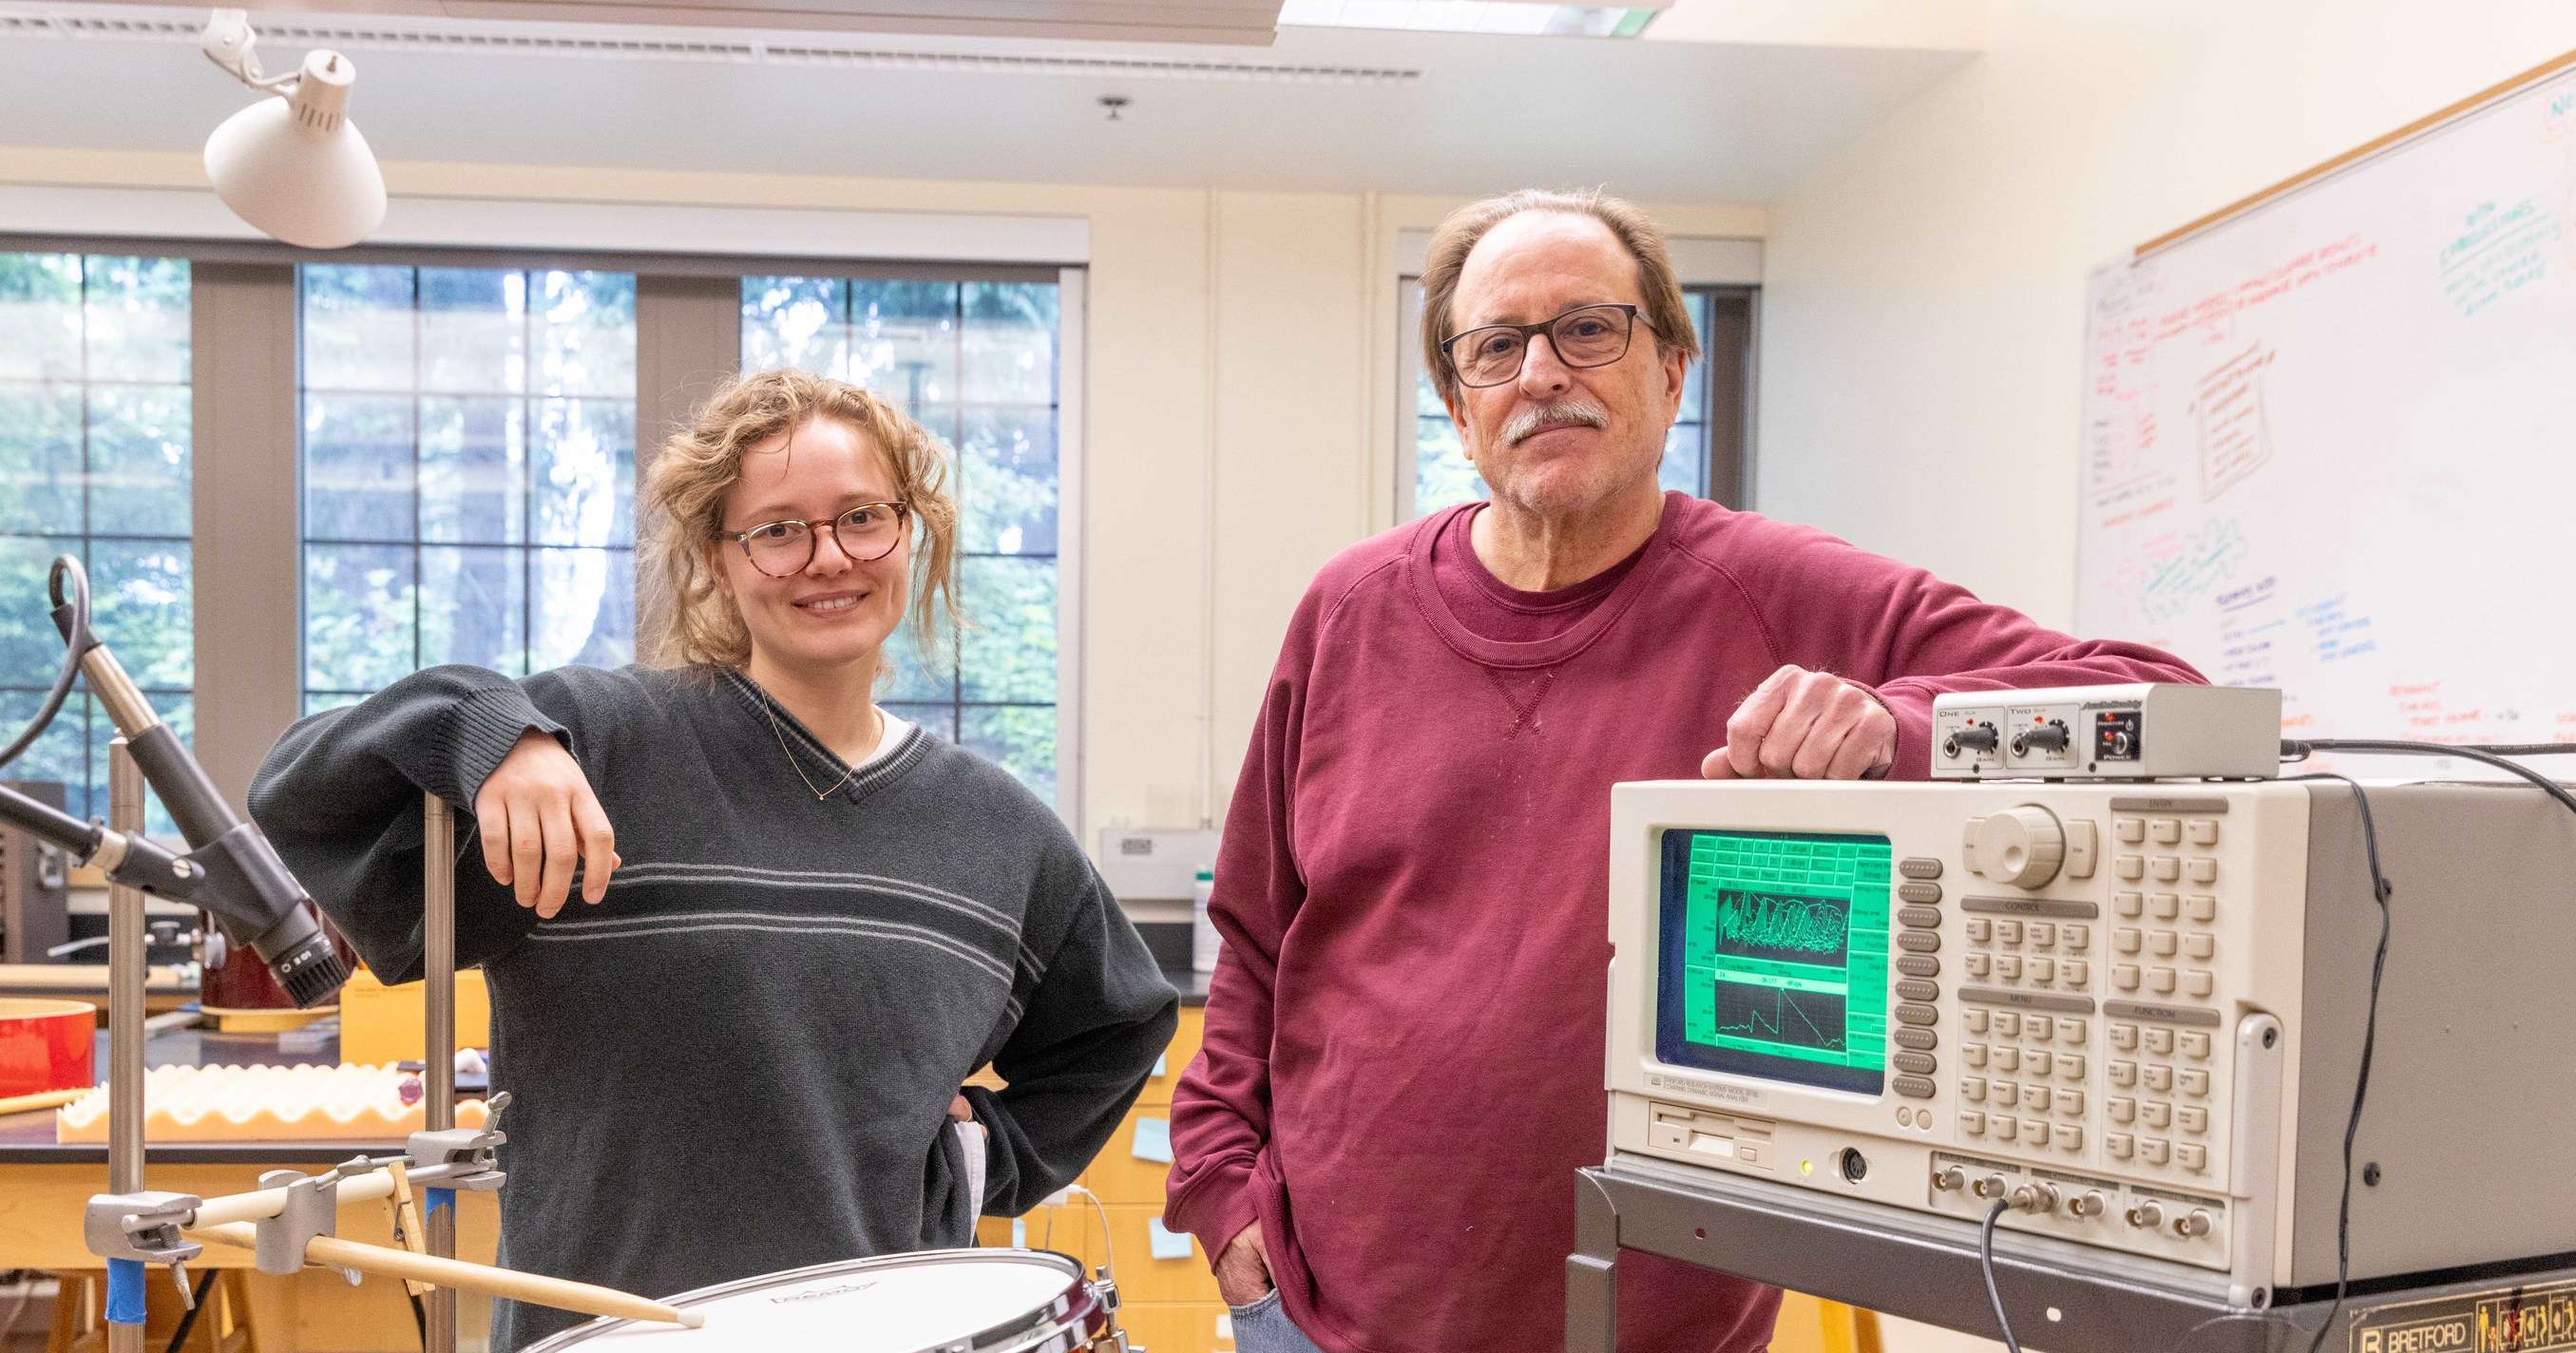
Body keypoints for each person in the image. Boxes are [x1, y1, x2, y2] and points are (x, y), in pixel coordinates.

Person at [1160, 189, 2207, 1353]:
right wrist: (1216, 1188)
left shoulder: (1780, 589)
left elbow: (2157, 692)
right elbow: (1256, 930)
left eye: (1587, 330)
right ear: (1459, 411)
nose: (1542, 371)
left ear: (1670, 371)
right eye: (1496, 347)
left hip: (1648, 1321)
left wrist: (1892, 724)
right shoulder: (1347, 610)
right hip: (1316, 1312)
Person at [252, 368, 1176, 1350]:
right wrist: (488, 734)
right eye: (777, 529)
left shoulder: (998, 833)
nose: (827, 558)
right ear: (714, 557)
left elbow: (1118, 1023)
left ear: (910, 529)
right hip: (602, 1336)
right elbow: (298, 783)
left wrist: (977, 1159)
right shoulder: (596, 745)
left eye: (861, 516)